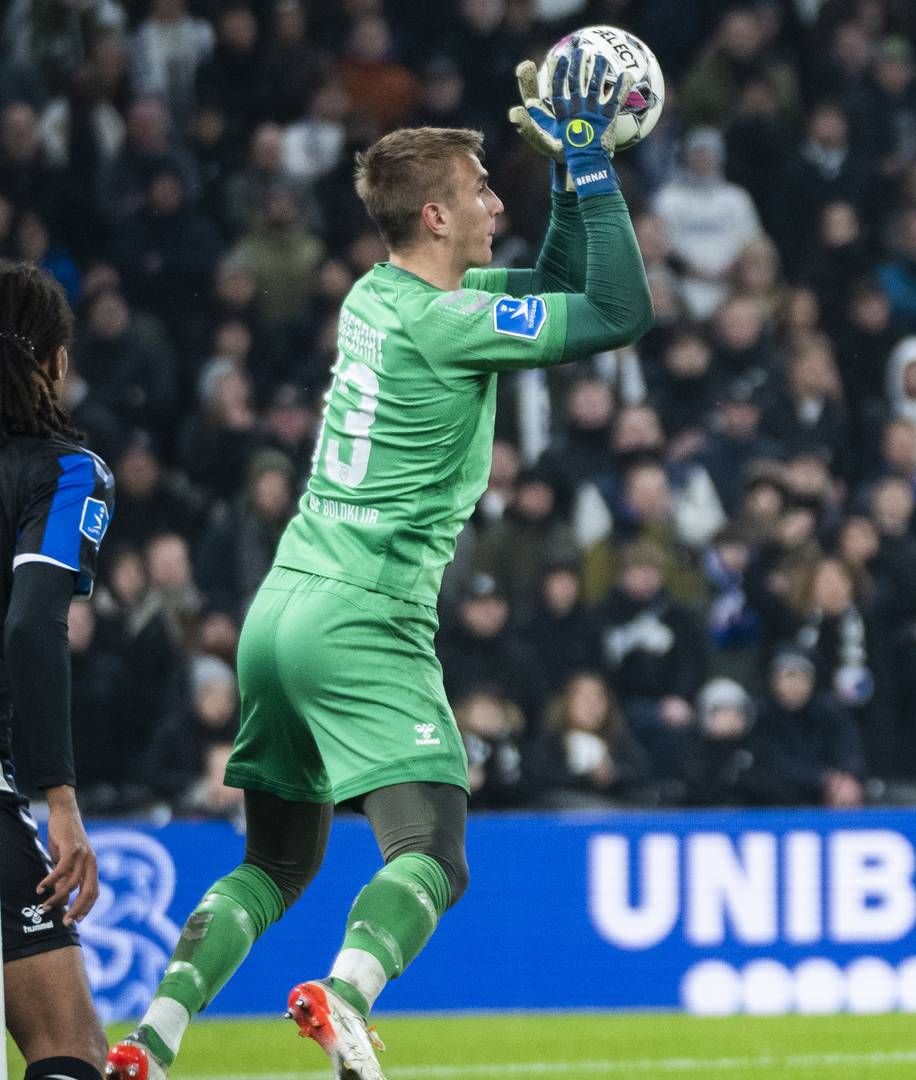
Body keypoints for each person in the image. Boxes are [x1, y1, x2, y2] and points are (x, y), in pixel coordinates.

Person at [107, 49, 656, 1080]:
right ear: (437, 219)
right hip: (365, 615)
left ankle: (150, 1042)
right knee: (434, 853)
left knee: (273, 862)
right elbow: (620, 312)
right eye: (482, 188)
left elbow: (556, 285)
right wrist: (591, 166)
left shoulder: (380, 298)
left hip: (281, 609)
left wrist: (572, 169)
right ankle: (347, 994)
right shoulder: (452, 324)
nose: (499, 197)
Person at [0, 260, 115, 1080]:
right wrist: (60, 801)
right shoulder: (65, 471)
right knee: (69, 1049)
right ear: (56, 362)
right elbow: (32, 627)